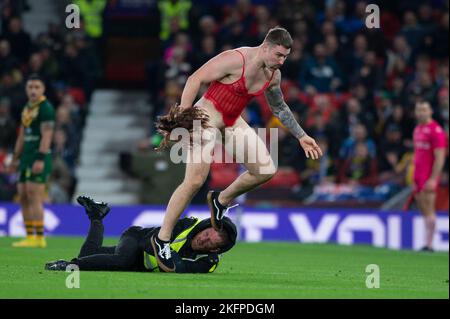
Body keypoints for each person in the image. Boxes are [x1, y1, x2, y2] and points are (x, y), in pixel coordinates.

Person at [153, 27, 323, 272]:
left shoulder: (273, 75)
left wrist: (302, 135)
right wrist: (183, 117)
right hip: (205, 117)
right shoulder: (236, 59)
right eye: (278, 55)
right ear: (265, 47)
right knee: (194, 181)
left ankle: (221, 201)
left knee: (265, 169)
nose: (282, 61)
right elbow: (195, 79)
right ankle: (162, 239)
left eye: (285, 57)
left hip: (232, 121)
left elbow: (279, 108)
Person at [45, 196, 237, 273]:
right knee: (123, 260)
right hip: (137, 238)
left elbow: (183, 269)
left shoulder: (210, 262)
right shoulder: (187, 224)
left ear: (217, 248)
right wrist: (169, 259)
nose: (206, 238)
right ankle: (69, 265)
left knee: (90, 254)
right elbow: (149, 242)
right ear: (206, 226)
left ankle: (96, 215)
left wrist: (169, 259)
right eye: (210, 231)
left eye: (215, 240)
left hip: (144, 262)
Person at [8, 74, 55, 248]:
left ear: (43, 89)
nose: (33, 90)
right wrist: (15, 157)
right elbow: (22, 134)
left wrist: (41, 158)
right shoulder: (27, 108)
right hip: (25, 157)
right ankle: (29, 236)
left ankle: (40, 237)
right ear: (26, 89)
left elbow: (47, 134)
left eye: (37, 87)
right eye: (30, 87)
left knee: (34, 195)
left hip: (38, 156)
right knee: (22, 195)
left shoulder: (46, 108)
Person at [412, 101, 447, 252]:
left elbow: (440, 157)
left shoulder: (437, 131)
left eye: (424, 110)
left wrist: (433, 178)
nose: (421, 113)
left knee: (429, 208)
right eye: (419, 110)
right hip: (418, 175)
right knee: (423, 209)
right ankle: (427, 242)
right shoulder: (417, 129)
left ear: (431, 111)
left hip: (428, 176)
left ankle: (430, 243)